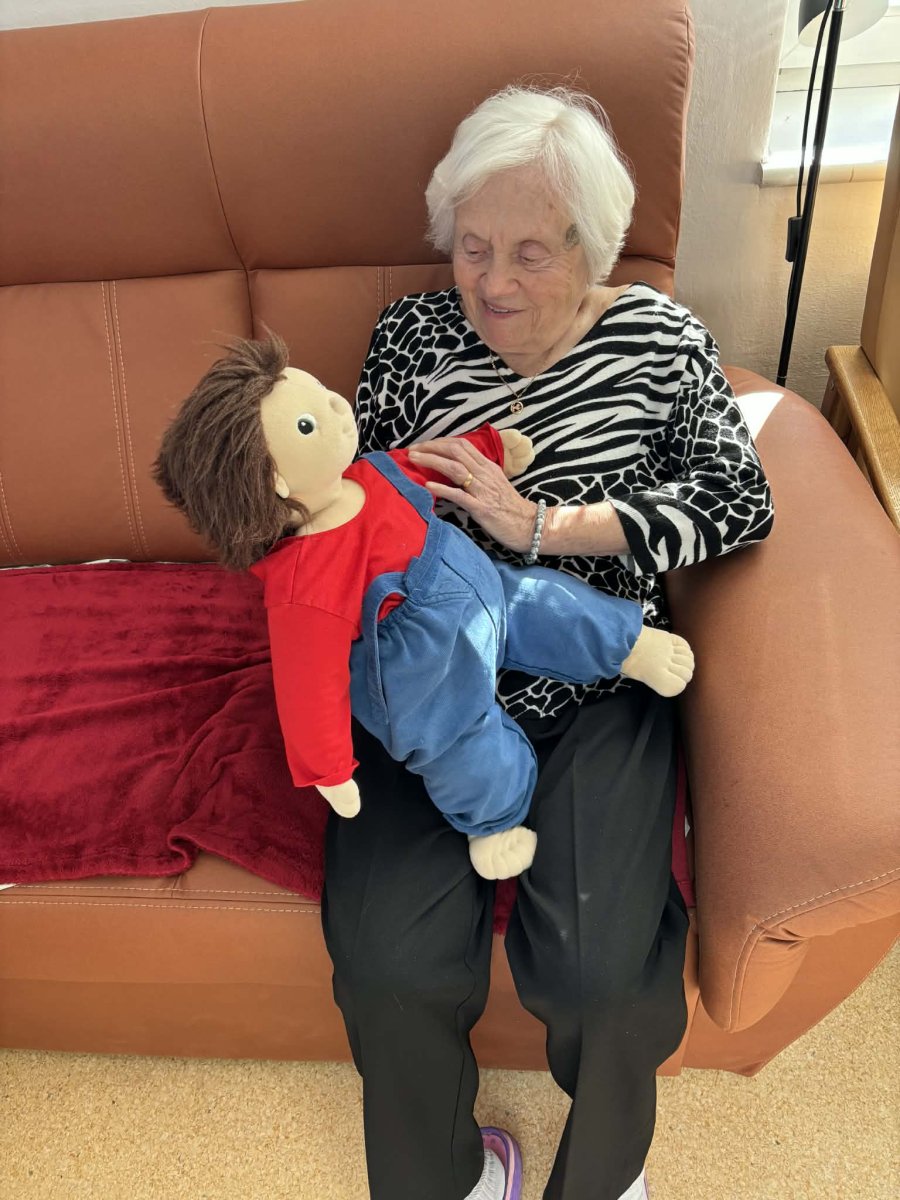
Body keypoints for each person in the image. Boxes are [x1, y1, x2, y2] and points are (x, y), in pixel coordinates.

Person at [321, 85, 774, 1200]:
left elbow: (740, 499)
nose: (492, 283)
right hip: (431, 674)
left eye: (530, 252)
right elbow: (354, 507)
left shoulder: (659, 339)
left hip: (602, 676)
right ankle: (452, 1175)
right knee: (385, 962)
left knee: (600, 974)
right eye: (472, 247)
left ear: (593, 244)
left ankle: (603, 1178)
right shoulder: (412, 336)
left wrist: (544, 527)